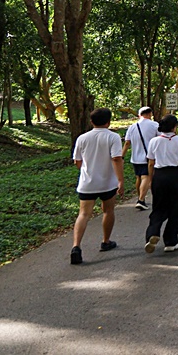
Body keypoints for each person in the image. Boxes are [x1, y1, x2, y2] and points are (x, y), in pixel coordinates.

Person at [71, 108, 124, 264]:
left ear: (91, 121)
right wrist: (120, 180)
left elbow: (77, 161)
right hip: (108, 183)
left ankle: (76, 246)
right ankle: (106, 241)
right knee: (108, 210)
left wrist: (87, 171)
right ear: (109, 122)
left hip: (87, 183)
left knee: (83, 214)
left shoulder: (82, 138)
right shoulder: (113, 137)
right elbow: (116, 159)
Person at [144, 115, 178, 254]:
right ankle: (171, 241)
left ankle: (153, 232)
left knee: (158, 206)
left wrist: (151, 179)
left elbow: (151, 163)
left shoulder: (154, 141)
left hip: (159, 176)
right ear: (174, 127)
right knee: (176, 208)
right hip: (175, 175)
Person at [123, 106, 158, 211]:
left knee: (138, 177)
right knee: (146, 177)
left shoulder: (132, 126)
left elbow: (127, 142)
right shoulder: (155, 125)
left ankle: (140, 198)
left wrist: (122, 156)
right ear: (150, 114)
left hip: (135, 157)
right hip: (148, 157)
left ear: (139, 115)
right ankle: (141, 200)